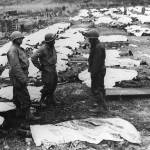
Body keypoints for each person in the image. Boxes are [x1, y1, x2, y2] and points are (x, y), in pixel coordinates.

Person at [7, 31, 41, 121]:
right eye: (20, 38)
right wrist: (23, 79)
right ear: (16, 39)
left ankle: (19, 112)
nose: (22, 39)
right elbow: (16, 67)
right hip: (18, 76)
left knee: (17, 94)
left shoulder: (17, 48)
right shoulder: (13, 50)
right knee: (24, 94)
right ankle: (28, 115)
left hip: (19, 75)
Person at [83, 29, 107, 111]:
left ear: (93, 39)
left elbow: (97, 62)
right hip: (98, 70)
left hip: (98, 71)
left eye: (90, 39)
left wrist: (93, 72)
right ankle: (102, 104)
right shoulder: (96, 46)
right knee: (99, 87)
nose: (89, 40)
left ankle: (100, 107)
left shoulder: (98, 48)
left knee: (96, 88)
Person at [31, 33, 58, 107]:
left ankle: (51, 99)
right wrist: (40, 67)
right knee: (48, 86)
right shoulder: (42, 48)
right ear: (49, 41)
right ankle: (41, 100)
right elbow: (33, 57)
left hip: (53, 68)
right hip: (47, 69)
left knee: (54, 84)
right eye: (53, 40)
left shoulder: (52, 46)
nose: (54, 41)